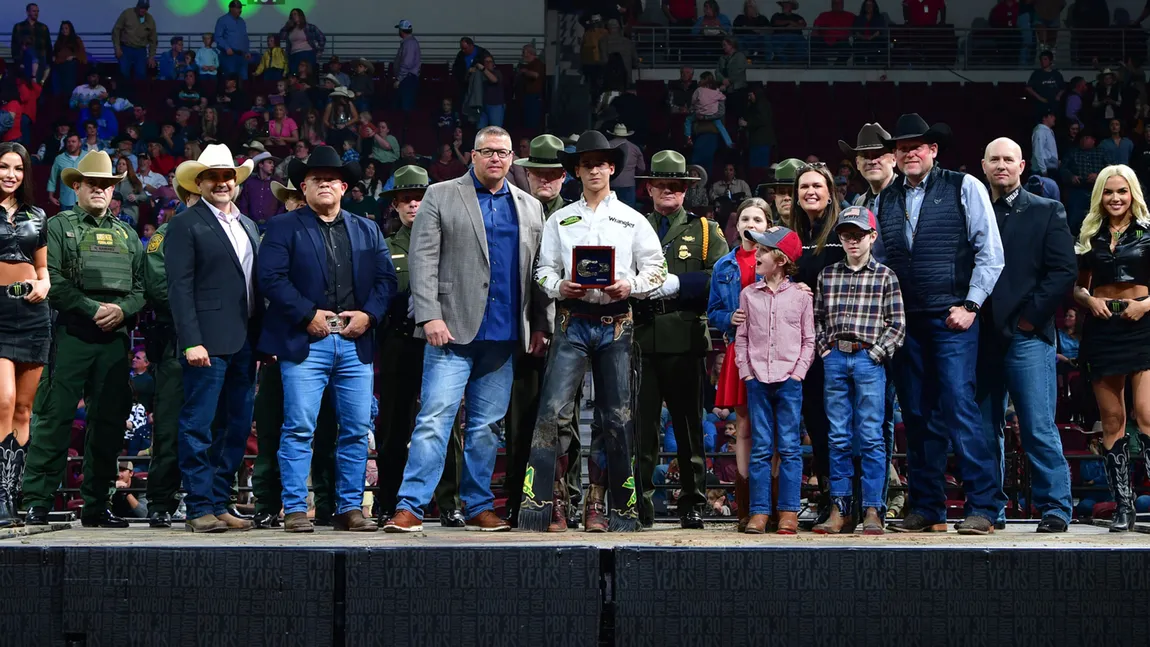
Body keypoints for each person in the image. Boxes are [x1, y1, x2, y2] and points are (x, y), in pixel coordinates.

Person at [384, 126, 550, 533]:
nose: (496, 158)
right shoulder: (440, 195)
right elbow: (422, 260)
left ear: (513, 159)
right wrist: (429, 316)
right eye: (488, 151)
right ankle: (410, 506)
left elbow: (538, 270)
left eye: (504, 153)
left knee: (486, 427)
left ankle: (479, 505)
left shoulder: (530, 206)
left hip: (505, 332)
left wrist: (542, 323)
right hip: (451, 329)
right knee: (434, 420)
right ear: (472, 156)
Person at [518, 130, 665, 533]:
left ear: (612, 168)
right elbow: (542, 269)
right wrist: (558, 285)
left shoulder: (633, 219)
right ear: (577, 171)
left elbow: (658, 268)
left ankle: (602, 503)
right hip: (572, 319)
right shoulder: (560, 219)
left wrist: (631, 286)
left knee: (615, 418)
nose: (595, 169)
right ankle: (553, 501)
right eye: (587, 163)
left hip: (617, 320)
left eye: (602, 162)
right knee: (552, 412)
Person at [877, 114, 1006, 535]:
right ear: (894, 156)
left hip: (953, 316)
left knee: (958, 405)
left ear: (933, 150)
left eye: (919, 145)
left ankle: (984, 507)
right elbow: (880, 261)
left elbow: (991, 252)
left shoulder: (964, 186)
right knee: (915, 413)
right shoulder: (885, 198)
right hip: (906, 321)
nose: (910, 152)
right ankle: (928, 507)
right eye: (902, 147)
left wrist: (971, 304)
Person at [257, 146, 395, 533]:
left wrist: (369, 315)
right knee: (299, 427)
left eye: (332, 179)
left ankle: (350, 508)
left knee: (354, 429)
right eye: (317, 179)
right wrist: (307, 314)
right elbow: (270, 278)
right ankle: (296, 509)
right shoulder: (284, 226)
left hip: (355, 343)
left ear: (345, 186)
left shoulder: (367, 228)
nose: (325, 184)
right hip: (305, 343)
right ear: (304, 185)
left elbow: (386, 281)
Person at [22, 151, 144, 528]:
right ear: (77, 186)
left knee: (108, 423)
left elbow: (142, 288)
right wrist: (92, 308)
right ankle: (37, 502)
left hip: (114, 340)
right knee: (54, 419)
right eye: (93, 184)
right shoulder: (58, 226)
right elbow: (52, 280)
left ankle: (97, 504)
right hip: (71, 334)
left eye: (106, 185)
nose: (100, 190)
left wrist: (123, 310)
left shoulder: (127, 233)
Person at [978, 137, 1077, 533]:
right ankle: (989, 509)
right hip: (981, 337)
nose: (1001, 165)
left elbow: (1062, 272)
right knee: (984, 430)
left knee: (1036, 426)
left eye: (1008, 159)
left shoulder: (1047, 210)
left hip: (1028, 337)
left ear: (1022, 166)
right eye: (994, 159)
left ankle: (1055, 507)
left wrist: (1028, 320)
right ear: (982, 166)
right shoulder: (973, 212)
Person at [165, 145, 261, 533]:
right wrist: (191, 341)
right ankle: (198, 506)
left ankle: (220, 502)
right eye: (214, 177)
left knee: (236, 426)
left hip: (245, 342)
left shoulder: (249, 225)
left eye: (228, 177)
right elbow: (179, 288)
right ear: (200, 183)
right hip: (206, 342)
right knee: (198, 424)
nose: (223, 183)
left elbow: (254, 287)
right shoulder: (186, 223)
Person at [632, 150, 729, 529]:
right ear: (650, 188)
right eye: (662, 184)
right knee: (642, 428)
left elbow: (719, 278)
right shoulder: (633, 225)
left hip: (685, 337)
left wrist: (678, 285)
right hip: (640, 337)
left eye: (677, 185)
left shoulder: (705, 231)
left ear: (686, 190)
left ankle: (692, 501)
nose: (669, 190)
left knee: (690, 427)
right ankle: (639, 503)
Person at [372, 166, 466, 526]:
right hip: (399, 342)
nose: (414, 204)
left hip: (442, 341)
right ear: (395, 205)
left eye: (420, 197)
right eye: (406, 199)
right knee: (394, 425)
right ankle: (389, 501)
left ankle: (450, 502)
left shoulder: (452, 242)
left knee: (444, 424)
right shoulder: (382, 246)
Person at [247, 179, 339, 529]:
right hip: (278, 346)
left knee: (328, 427)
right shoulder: (270, 237)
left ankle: (328, 503)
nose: (298, 204)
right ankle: (269, 504)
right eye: (292, 199)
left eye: (302, 199)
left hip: (324, 345)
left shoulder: (331, 236)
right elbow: (258, 293)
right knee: (271, 428)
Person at [502, 136, 581, 528]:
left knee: (566, 422)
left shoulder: (579, 216)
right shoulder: (512, 210)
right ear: (527, 173)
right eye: (538, 172)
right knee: (520, 421)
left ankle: (567, 501)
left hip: (570, 331)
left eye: (553, 173)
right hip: (521, 332)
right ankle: (520, 500)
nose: (545, 179)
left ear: (564, 176)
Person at [813, 206, 906, 535]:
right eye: (846, 234)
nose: (852, 240)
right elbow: (818, 318)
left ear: (872, 237)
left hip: (868, 358)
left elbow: (897, 325)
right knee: (837, 436)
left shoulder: (885, 276)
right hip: (836, 357)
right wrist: (825, 351)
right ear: (839, 237)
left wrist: (877, 353)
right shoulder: (828, 275)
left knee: (870, 437)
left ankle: (872, 510)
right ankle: (840, 510)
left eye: (859, 235)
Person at [1071, 164, 1150, 533]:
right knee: (1114, 420)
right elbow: (1078, 287)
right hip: (1103, 328)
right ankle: (1124, 506)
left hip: (1142, 324)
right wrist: (1088, 302)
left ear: (1133, 193)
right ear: (1099, 196)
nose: (1116, 198)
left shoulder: (1148, 232)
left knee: (1147, 416)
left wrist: (1146, 304)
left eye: (1122, 191)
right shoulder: (1090, 235)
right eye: (1109, 192)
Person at [735, 226, 812, 534]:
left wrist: (798, 373)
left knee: (791, 447)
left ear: (780, 259)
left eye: (764, 251)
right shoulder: (748, 295)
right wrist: (747, 372)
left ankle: (789, 512)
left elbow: (809, 339)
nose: (758, 256)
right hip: (758, 379)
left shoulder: (801, 296)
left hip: (789, 380)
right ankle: (759, 512)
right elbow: (741, 339)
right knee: (761, 447)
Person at [707, 197, 771, 532]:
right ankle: (746, 506)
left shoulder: (780, 261)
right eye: (745, 219)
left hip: (776, 352)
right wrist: (727, 317)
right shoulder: (724, 265)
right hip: (739, 348)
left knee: (772, 428)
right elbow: (713, 310)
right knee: (743, 428)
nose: (751, 225)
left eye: (757, 220)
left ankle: (772, 503)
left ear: (768, 226)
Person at [139, 182, 198, 528]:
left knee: (216, 426)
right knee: (170, 428)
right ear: (188, 196)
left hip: (219, 342)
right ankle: (161, 501)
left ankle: (213, 499)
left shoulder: (232, 230)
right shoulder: (166, 233)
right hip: (176, 342)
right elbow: (158, 286)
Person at [0, 143, 48, 527]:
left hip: (33, 313)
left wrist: (44, 286)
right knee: (4, 400)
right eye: (3, 167)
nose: (10, 174)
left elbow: (43, 269)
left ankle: (11, 497)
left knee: (24, 410)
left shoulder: (37, 215)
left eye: (17, 168)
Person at [111, 0, 158, 81]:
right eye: (141, 8)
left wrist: (151, 56)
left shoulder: (150, 19)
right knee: (123, 73)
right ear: (137, 6)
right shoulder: (127, 13)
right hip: (125, 48)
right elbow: (116, 30)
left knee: (141, 74)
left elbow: (153, 40)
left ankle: (138, 93)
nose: (143, 10)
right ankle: (124, 92)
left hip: (140, 50)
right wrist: (117, 47)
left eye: (146, 8)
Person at [279, 8, 325, 77]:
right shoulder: (290, 29)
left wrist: (319, 51)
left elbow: (321, 37)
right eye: (292, 15)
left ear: (300, 15)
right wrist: (286, 26)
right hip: (293, 55)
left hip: (307, 53)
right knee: (294, 75)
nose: (293, 16)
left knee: (307, 75)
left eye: (295, 14)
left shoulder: (309, 27)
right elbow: (281, 36)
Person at [214, 1, 250, 80]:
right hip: (229, 56)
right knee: (230, 79)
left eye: (240, 8)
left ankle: (241, 93)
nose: (240, 10)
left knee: (243, 78)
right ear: (231, 9)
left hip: (242, 56)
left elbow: (245, 37)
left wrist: (247, 51)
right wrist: (226, 47)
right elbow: (218, 37)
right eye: (237, 8)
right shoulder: (222, 20)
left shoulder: (242, 21)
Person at [392, 19, 421, 113]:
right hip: (407, 78)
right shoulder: (409, 42)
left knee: (405, 106)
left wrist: (399, 79)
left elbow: (407, 63)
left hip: (407, 79)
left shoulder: (409, 43)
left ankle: (406, 127)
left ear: (401, 30)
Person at [1031, 111, 1060, 178]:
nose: (1054, 118)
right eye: (1051, 116)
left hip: (1050, 169)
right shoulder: (1040, 131)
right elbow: (1038, 151)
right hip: (1042, 171)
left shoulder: (1049, 131)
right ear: (1044, 118)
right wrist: (1043, 170)